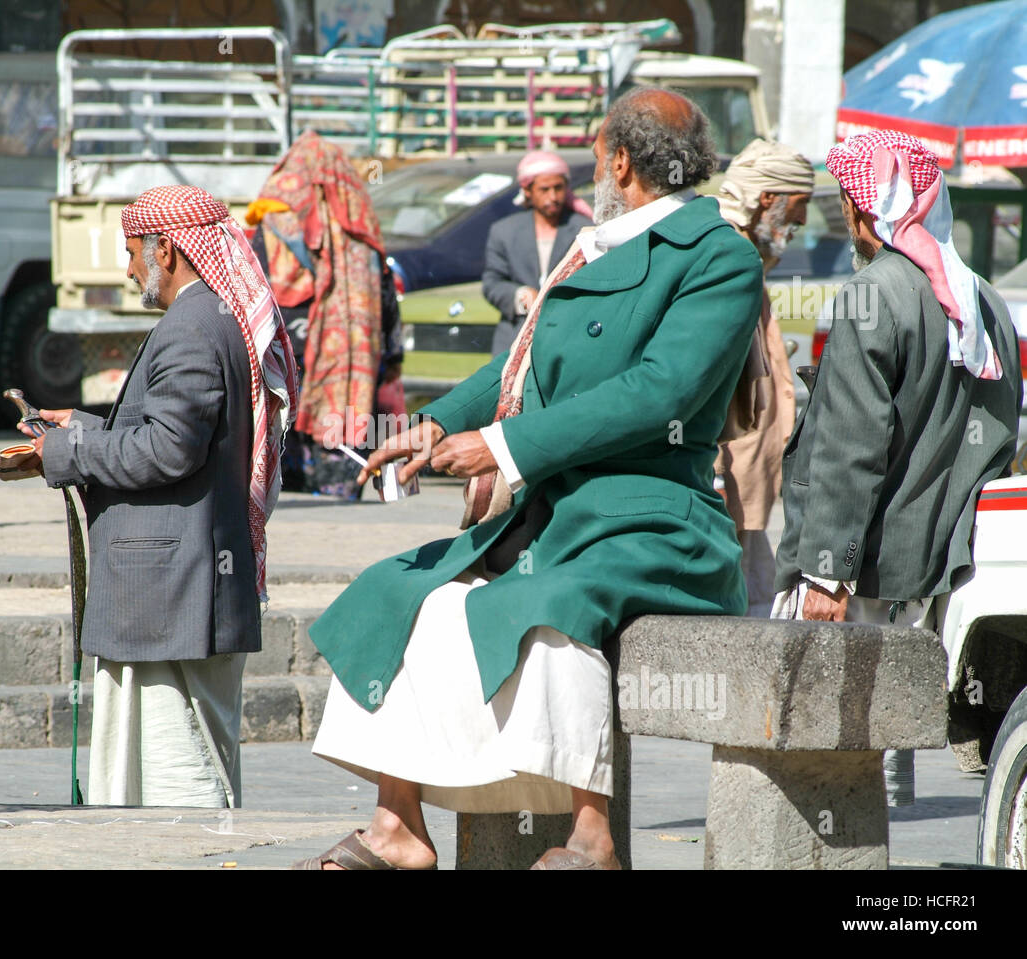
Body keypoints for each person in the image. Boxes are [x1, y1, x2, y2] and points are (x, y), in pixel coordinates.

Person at [294, 88, 764, 869]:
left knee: (551, 609)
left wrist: (506, 446)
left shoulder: (717, 254)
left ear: (619, 161)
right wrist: (439, 422)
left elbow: (662, 391)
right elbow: (523, 364)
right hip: (555, 511)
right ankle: (397, 826)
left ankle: (591, 836)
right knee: (403, 591)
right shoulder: (596, 243)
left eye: (598, 152)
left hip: (654, 516)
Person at [23, 185, 298, 808]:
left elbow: (170, 451)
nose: (127, 270)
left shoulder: (191, 328)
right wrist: (85, 429)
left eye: (130, 253)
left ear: (167, 250)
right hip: (174, 596)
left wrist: (60, 455)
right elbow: (168, 437)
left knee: (181, 780)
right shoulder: (206, 319)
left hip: (174, 596)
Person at [773, 130, 1021, 806]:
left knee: (831, 735)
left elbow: (852, 447)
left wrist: (827, 569)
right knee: (884, 714)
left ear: (867, 209)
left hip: (862, 556)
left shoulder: (870, 294)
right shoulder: (984, 301)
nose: (847, 219)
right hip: (937, 551)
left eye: (850, 203)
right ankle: (884, 798)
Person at [246, 131, 402, 499]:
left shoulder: (275, 216)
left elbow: (254, 281)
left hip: (287, 335)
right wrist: (393, 352)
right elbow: (386, 294)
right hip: (352, 349)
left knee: (286, 407)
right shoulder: (361, 223)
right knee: (344, 408)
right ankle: (339, 483)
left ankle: (289, 479)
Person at [713, 139, 815, 616]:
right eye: (800, 206)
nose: (803, 222)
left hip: (748, 482)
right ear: (769, 198)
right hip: (724, 474)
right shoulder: (724, 254)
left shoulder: (747, 251)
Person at [481, 150, 594, 355]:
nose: (553, 196)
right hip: (514, 341)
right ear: (528, 191)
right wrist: (519, 295)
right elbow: (492, 282)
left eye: (558, 188)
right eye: (544, 189)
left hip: (567, 340)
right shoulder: (504, 232)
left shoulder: (585, 230)